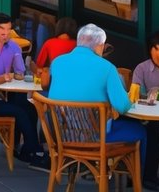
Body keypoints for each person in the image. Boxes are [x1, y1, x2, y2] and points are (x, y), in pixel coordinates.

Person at [49, 24, 140, 170]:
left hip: (62, 136)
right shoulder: (107, 68)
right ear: (100, 46)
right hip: (95, 139)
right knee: (139, 130)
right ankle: (135, 180)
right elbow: (122, 107)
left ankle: (92, 170)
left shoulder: (57, 63)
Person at [0, 13, 46, 168]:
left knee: (30, 108)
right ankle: (35, 151)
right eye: (2, 31)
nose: (6, 34)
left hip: (7, 90)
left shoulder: (14, 46)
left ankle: (27, 149)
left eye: (8, 30)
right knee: (20, 111)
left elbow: (20, 72)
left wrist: (19, 65)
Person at [132, 29, 159, 190]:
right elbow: (135, 94)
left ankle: (149, 176)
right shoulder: (142, 69)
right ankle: (147, 176)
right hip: (148, 116)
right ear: (151, 50)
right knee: (153, 131)